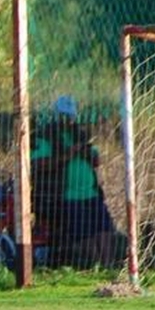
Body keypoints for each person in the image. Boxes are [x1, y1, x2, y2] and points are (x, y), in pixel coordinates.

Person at [45, 96, 116, 267]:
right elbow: (43, 163)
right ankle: (94, 265)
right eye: (64, 116)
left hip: (91, 193)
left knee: (104, 228)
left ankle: (108, 264)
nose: (68, 120)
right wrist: (68, 154)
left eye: (70, 116)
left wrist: (85, 152)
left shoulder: (81, 135)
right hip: (69, 196)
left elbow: (96, 160)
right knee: (83, 233)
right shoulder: (49, 135)